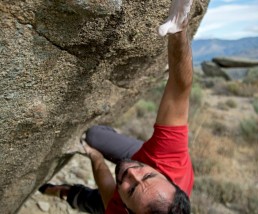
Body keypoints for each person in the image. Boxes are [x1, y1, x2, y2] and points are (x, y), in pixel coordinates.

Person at [39, 0, 194, 213]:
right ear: (169, 181)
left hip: (113, 201)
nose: (132, 172)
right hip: (150, 156)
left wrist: (93, 155)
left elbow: (106, 185)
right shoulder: (169, 161)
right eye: (148, 175)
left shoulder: (116, 209)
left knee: (88, 199)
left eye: (131, 190)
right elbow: (179, 89)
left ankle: (61, 191)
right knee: (94, 136)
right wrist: (179, 30)